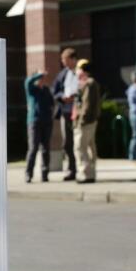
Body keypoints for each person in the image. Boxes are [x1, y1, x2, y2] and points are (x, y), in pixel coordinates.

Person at [51, 48, 81, 181]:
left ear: (74, 59)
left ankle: (85, 169)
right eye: (63, 62)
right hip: (65, 112)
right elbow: (54, 90)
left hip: (79, 112)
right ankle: (72, 170)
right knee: (67, 143)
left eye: (67, 61)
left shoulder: (82, 72)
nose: (65, 64)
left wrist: (76, 97)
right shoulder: (62, 74)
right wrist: (62, 97)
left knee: (80, 142)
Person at [73, 59, 102, 183]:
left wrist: (81, 121)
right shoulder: (89, 83)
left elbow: (86, 104)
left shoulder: (89, 83)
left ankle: (86, 173)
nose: (76, 72)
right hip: (90, 120)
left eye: (78, 69)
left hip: (85, 121)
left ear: (83, 70)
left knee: (80, 147)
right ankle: (90, 173)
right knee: (89, 147)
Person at [24, 68, 54, 183]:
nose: (41, 80)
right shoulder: (31, 89)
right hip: (34, 121)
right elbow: (28, 81)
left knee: (46, 149)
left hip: (46, 122)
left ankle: (45, 174)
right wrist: (40, 73)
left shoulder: (46, 90)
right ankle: (28, 173)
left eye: (42, 78)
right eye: (39, 78)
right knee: (33, 148)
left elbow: (51, 103)